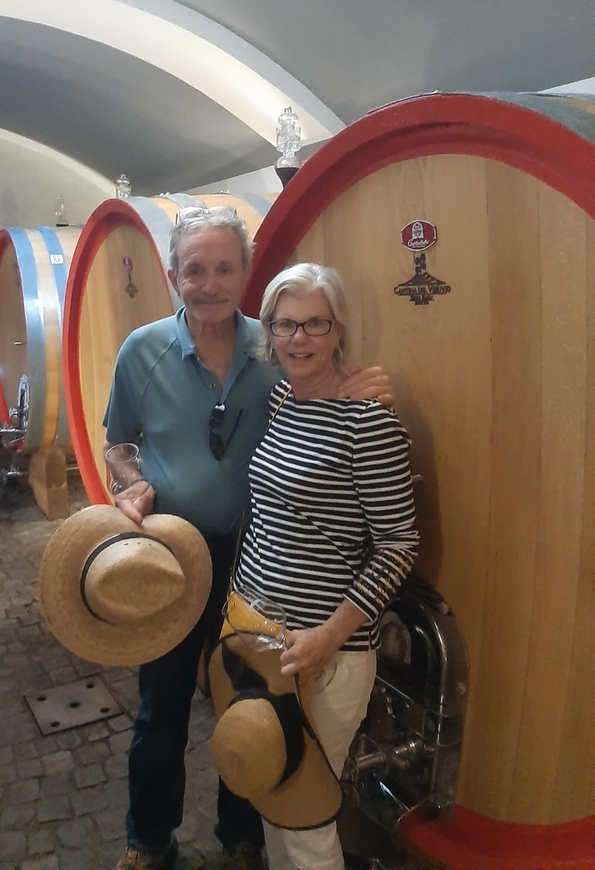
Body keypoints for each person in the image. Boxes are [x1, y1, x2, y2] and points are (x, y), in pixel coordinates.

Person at [102, 207, 394, 870]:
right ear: (173, 275)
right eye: (194, 270)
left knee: (250, 703)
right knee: (160, 709)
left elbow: (324, 397)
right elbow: (118, 443)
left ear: (245, 272)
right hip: (171, 559)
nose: (209, 284)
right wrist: (129, 481)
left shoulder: (277, 346)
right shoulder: (141, 350)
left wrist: (360, 387)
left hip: (257, 566)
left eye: (224, 268)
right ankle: (149, 837)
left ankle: (242, 836)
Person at [231, 262, 419, 870]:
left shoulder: (369, 421)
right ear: (269, 331)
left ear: (339, 330)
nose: (299, 338)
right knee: (269, 789)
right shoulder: (283, 399)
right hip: (259, 632)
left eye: (316, 323)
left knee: (304, 813)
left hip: (324, 650)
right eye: (285, 324)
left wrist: (329, 636)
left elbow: (398, 545)